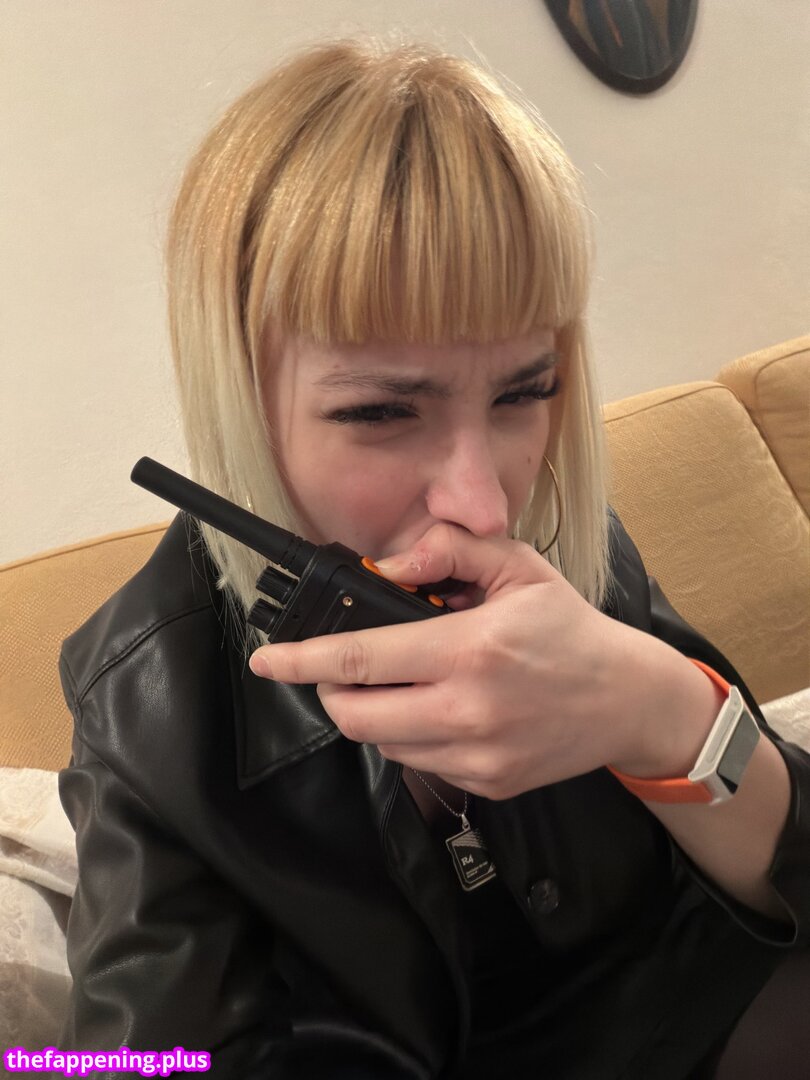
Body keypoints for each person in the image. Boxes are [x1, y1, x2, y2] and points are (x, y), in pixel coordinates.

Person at [58, 38, 810, 1079]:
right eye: (380, 411)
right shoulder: (147, 702)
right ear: (241, 400)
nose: (485, 501)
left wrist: (662, 712)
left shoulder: (569, 538)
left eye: (524, 392)